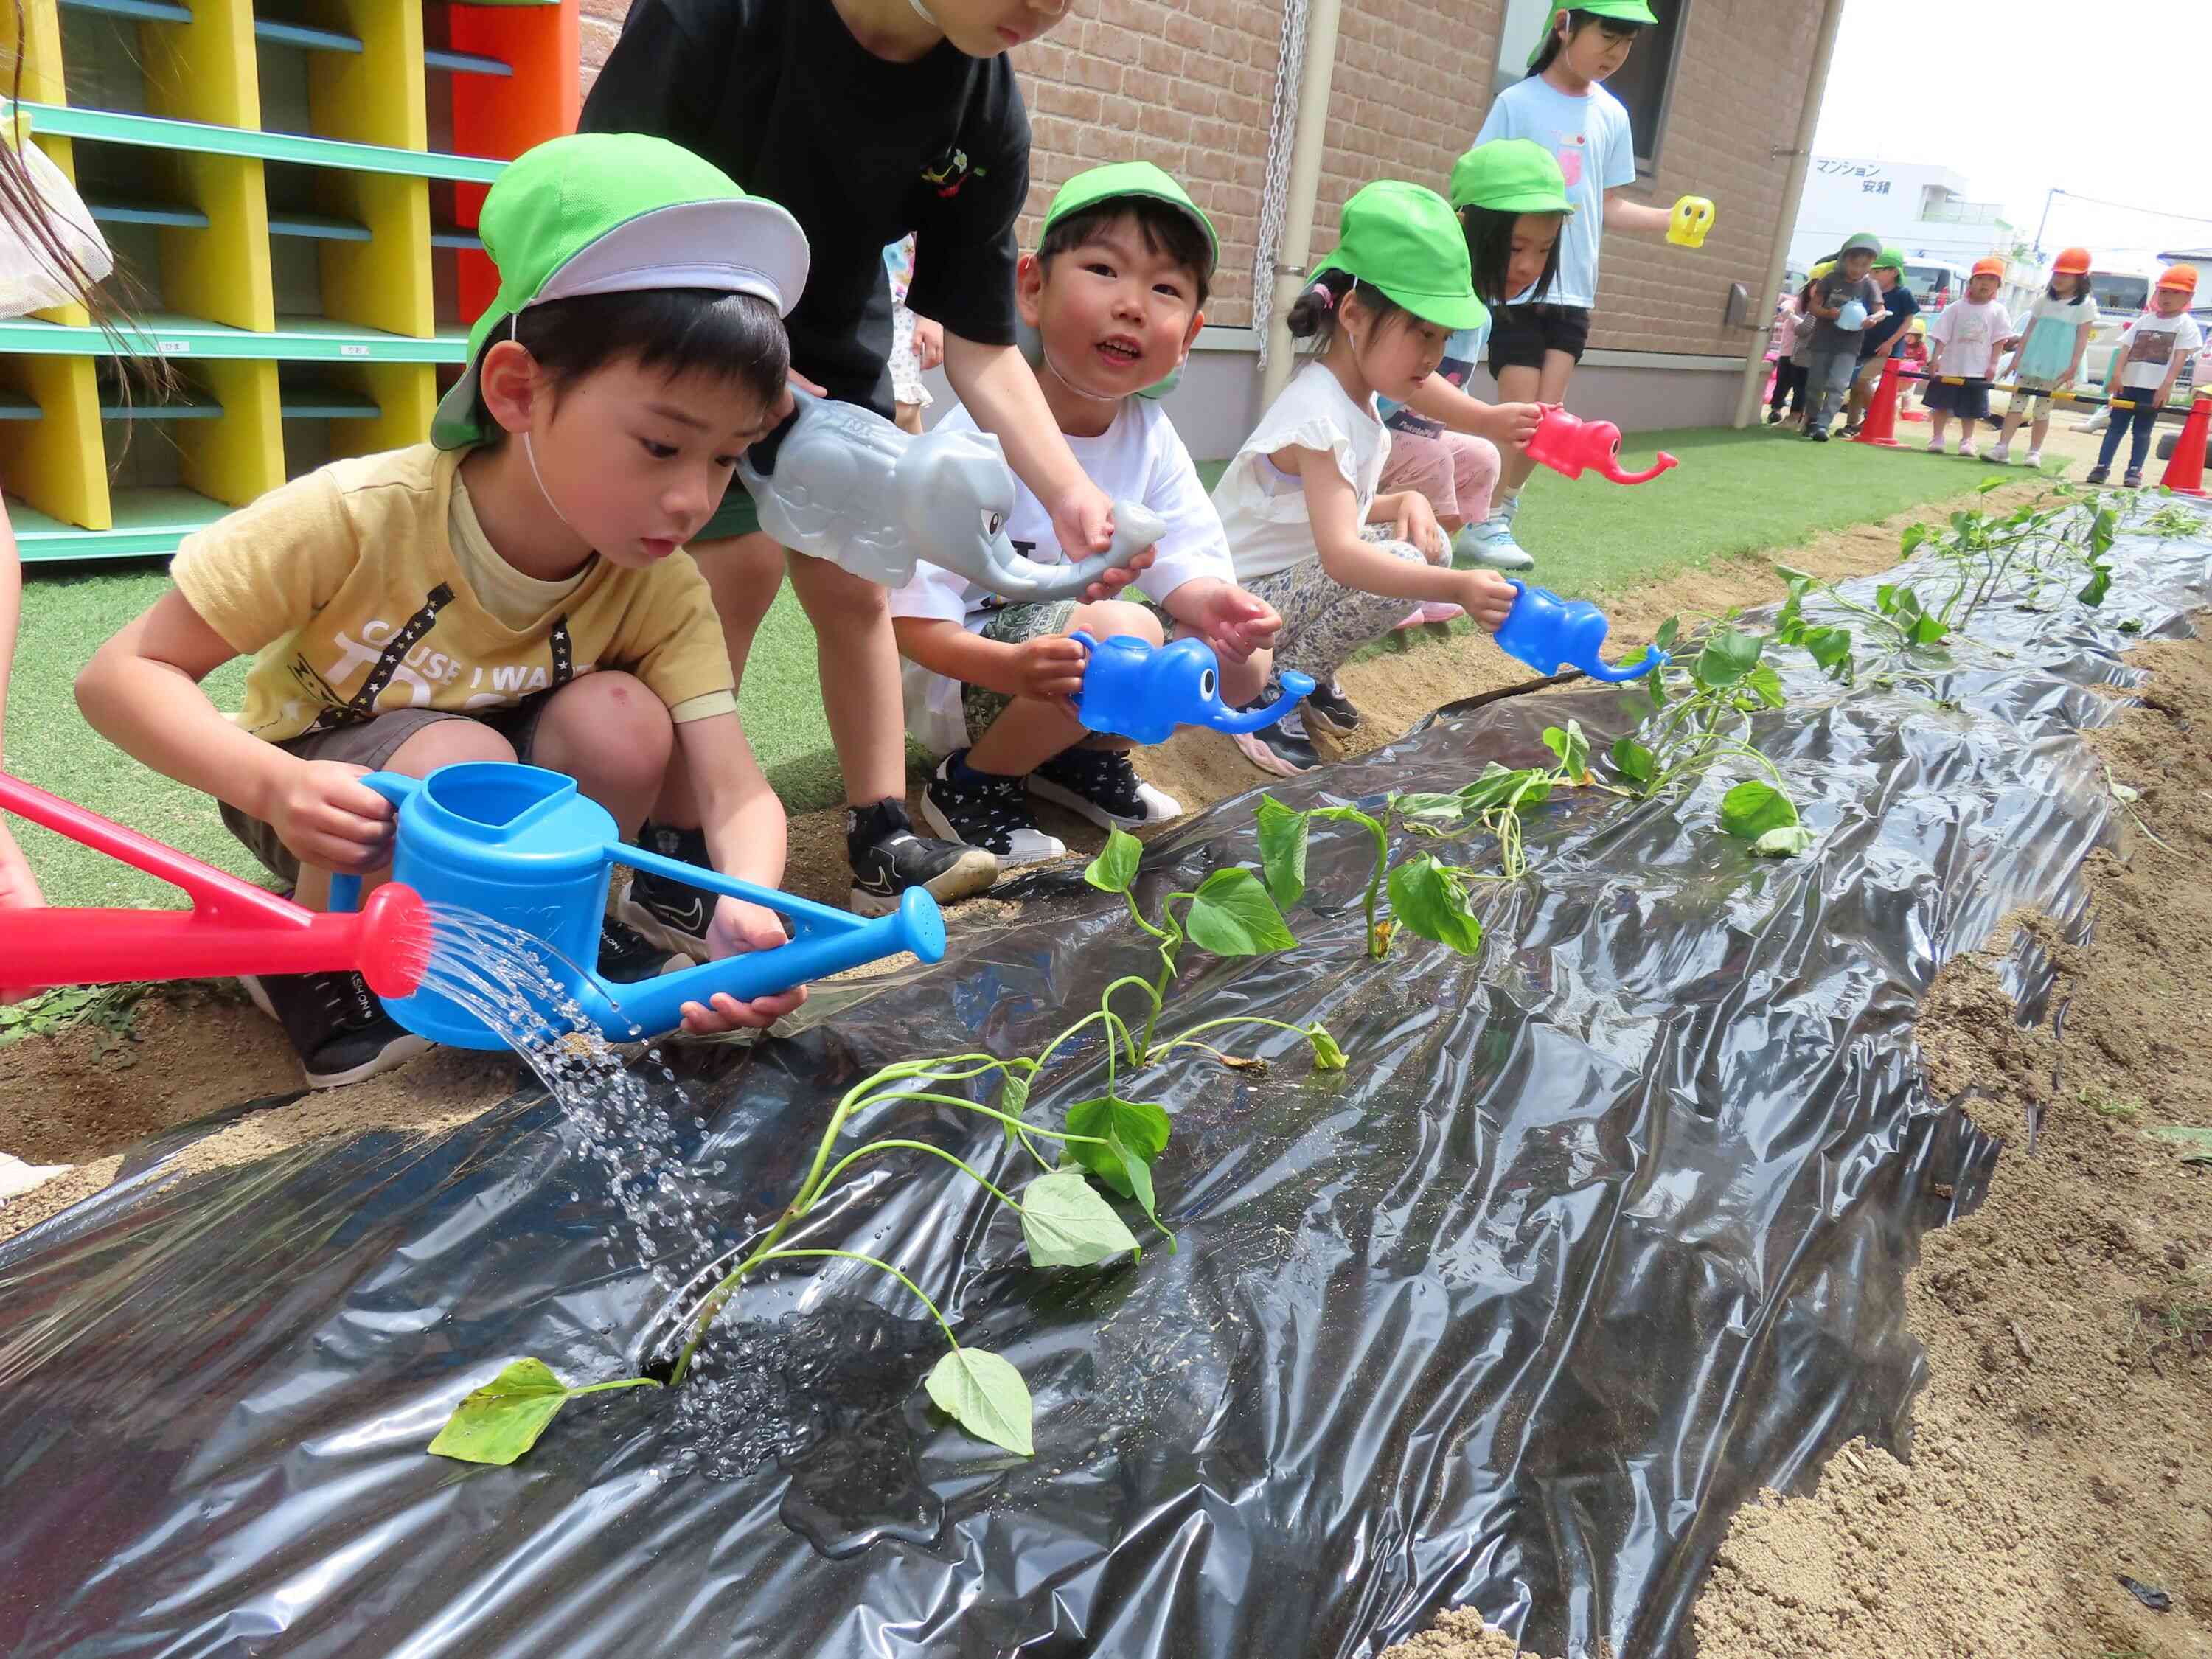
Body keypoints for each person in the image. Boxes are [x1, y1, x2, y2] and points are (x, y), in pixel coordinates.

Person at [74, 135, 810, 1086]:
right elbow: (120, 676)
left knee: (624, 720)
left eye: (726, 458)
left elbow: (735, 791)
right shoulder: (359, 516)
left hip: (490, 787)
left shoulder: (659, 584)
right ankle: (311, 954)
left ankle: (562, 925)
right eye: (663, 447)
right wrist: (275, 787)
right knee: (454, 759)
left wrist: (748, 905)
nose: (694, 500)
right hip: (322, 800)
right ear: (516, 391)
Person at [580, 0, 1127, 922]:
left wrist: (1069, 491)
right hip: (675, 321)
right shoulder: (718, 18)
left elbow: (982, 342)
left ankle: (881, 831)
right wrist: (741, 367)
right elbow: (603, 209)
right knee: (731, 574)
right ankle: (676, 850)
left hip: (832, 344)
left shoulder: (982, 106)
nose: (1046, 8)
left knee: (858, 583)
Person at [889, 163, 1279, 858]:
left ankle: (1077, 758)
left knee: (1237, 660)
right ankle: (973, 781)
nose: (1133, 305)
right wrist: (1009, 670)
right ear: (1033, 288)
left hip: (1070, 661)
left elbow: (1187, 560)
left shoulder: (1151, 436)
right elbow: (911, 621)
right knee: (1128, 629)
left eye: (1165, 288)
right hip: (968, 673)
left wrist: (1218, 605)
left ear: (1189, 336)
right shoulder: (976, 440)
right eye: (1104, 269)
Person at [1214, 181, 1520, 778]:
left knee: (1428, 545)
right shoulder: (1319, 414)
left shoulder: (1357, 398)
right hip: (1223, 613)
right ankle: (1270, 689)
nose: (1435, 356)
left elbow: (1326, 510)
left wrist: (1403, 500)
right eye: (1422, 332)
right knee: (1406, 563)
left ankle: (1306, 667)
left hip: (1273, 593)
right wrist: (1456, 587)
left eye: (1442, 337)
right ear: (1353, 314)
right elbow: (1341, 556)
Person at [1472, 4, 1712, 547]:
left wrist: (1671, 219)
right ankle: (1483, 517)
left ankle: (1501, 513)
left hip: (1575, 292)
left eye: (1627, 43)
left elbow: (1609, 205)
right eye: (1608, 37)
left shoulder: (1612, 114)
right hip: (1518, 285)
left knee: (1549, 418)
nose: (1616, 54)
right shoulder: (1517, 103)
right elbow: (1479, 187)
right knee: (1521, 414)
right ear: (1564, 25)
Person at [1373, 139, 1562, 616]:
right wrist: (1486, 417)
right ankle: (1396, 583)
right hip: (1365, 433)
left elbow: (1451, 389)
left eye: (1543, 250)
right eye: (1515, 247)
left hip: (1408, 437)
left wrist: (1496, 423)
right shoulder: (1426, 293)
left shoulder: (1480, 314)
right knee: (1436, 459)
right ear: (1465, 226)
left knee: (1481, 458)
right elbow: (1412, 380)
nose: (1528, 265)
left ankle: (1424, 571)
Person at [2087, 265, 2202, 488]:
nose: (2167, 297)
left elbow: (2180, 358)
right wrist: (2116, 375)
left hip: (2153, 388)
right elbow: (2125, 348)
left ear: (2189, 297)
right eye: (2164, 291)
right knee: (2115, 427)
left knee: (2142, 431)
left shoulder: (2185, 324)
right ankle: (2101, 467)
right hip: (2127, 384)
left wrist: (2166, 386)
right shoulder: (2145, 320)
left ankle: (2134, 471)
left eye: (2176, 293)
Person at [1989, 248, 2098, 469]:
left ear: (2081, 279)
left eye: (2066, 275)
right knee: (2016, 405)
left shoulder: (2085, 305)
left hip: (2056, 366)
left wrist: (2073, 367)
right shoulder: (2043, 300)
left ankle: (2034, 451)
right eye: (2057, 273)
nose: (2059, 278)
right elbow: (2029, 331)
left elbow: (2082, 339)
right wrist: (2017, 358)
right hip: (2031, 361)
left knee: (2042, 410)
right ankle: (2002, 447)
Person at [1922, 257, 2014, 457]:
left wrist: (1993, 364)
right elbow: (1941, 335)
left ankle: (1967, 440)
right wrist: (1935, 359)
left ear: (1998, 286)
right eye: (1980, 278)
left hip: (1978, 368)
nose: (1985, 284)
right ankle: (1937, 437)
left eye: (1991, 279)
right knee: (1941, 405)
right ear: (1971, 282)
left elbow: (1999, 340)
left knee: (1971, 409)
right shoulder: (1956, 307)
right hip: (1950, 365)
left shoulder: (1998, 311)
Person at [1802, 233, 1885, 442]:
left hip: (1850, 344)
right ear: (1845, 260)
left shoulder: (1870, 285)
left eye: (1864, 265)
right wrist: (1828, 313)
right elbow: (1813, 306)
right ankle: (1812, 419)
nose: (1858, 269)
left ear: (1871, 265)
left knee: (1838, 385)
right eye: (1854, 264)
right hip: (1823, 340)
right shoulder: (1831, 279)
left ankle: (1823, 424)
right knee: (1815, 383)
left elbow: (1881, 311)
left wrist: (1873, 319)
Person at [1843, 248, 1919, 437]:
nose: (1872, 274)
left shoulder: (1903, 294)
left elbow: (1908, 322)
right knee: (1855, 385)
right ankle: (1851, 424)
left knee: (1863, 379)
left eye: (1877, 271)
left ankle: (1875, 417)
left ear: (1894, 272)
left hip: (1887, 350)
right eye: (1870, 270)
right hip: (1863, 346)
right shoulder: (1866, 290)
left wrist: (1890, 343)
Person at [883, 234, 943, 436]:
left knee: (903, 407)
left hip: (898, 294)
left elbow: (932, 228)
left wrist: (930, 312)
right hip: (835, 290)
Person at [1765, 286, 1806, 425]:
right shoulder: (1795, 303)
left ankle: (1796, 415)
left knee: (1800, 387)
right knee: (1782, 384)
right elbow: (1785, 307)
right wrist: (1790, 313)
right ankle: (1776, 410)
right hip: (1788, 352)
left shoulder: (1817, 308)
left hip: (1806, 355)